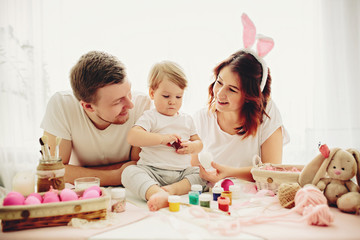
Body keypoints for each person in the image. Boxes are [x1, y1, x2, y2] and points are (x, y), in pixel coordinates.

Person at [40, 51, 151, 186]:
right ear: (88, 106)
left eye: (129, 93)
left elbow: (141, 167)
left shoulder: (142, 105)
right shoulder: (62, 104)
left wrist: (78, 172)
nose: (130, 104)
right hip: (82, 192)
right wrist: (117, 175)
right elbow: (53, 171)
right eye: (117, 102)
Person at [192, 49, 289, 184]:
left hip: (253, 198)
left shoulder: (266, 113)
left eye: (231, 89)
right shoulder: (202, 118)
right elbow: (191, 172)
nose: (220, 93)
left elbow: (271, 172)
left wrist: (229, 173)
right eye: (219, 82)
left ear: (249, 96)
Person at [121, 60, 205, 211]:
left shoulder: (187, 119)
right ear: (152, 93)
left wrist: (192, 147)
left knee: (204, 174)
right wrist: (162, 139)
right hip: (152, 171)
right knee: (128, 172)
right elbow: (133, 136)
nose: (173, 102)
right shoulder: (150, 117)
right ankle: (155, 192)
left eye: (179, 97)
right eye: (166, 96)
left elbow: (199, 144)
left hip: (181, 173)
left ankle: (171, 190)